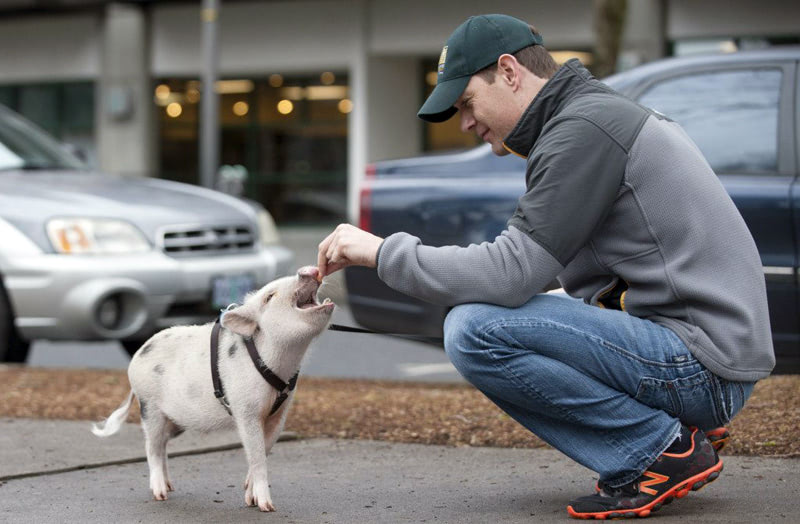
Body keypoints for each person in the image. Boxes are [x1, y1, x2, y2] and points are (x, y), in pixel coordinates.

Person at [317, 13, 774, 519]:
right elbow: (566, 285)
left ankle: (658, 450)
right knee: (507, 313)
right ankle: (673, 430)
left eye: (466, 102)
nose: (465, 123)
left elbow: (509, 273)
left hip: (702, 367)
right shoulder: (591, 118)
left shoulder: (584, 129)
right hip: (707, 356)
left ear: (510, 71)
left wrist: (380, 253)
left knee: (473, 329)